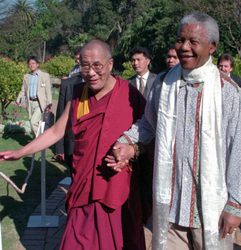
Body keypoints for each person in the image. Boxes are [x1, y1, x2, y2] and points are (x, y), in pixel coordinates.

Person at [106, 13, 241, 250]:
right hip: (170, 206)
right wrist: (128, 142)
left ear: (212, 46)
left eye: (193, 42)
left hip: (211, 212)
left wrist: (235, 205)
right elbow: (148, 125)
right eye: (180, 40)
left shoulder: (229, 93)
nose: (184, 47)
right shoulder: (164, 84)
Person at [1, 39, 146, 250]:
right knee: (75, 242)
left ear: (110, 64)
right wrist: (21, 151)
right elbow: (57, 131)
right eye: (85, 65)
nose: (91, 72)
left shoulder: (130, 94)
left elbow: (148, 135)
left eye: (97, 65)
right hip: (84, 185)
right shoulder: (79, 94)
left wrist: (132, 150)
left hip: (115, 186)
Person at [54, 46, 83, 164]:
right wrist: (59, 147)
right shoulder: (70, 81)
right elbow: (61, 116)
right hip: (71, 140)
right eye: (77, 59)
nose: (78, 61)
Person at [16, 56, 52, 135]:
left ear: (37, 64)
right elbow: (23, 90)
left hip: (39, 103)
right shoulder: (26, 77)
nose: (31, 65)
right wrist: (18, 98)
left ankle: (40, 142)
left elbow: (48, 90)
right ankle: (39, 142)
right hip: (30, 103)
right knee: (34, 122)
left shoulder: (44, 75)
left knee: (33, 122)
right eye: (29, 64)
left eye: (33, 63)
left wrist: (49, 103)